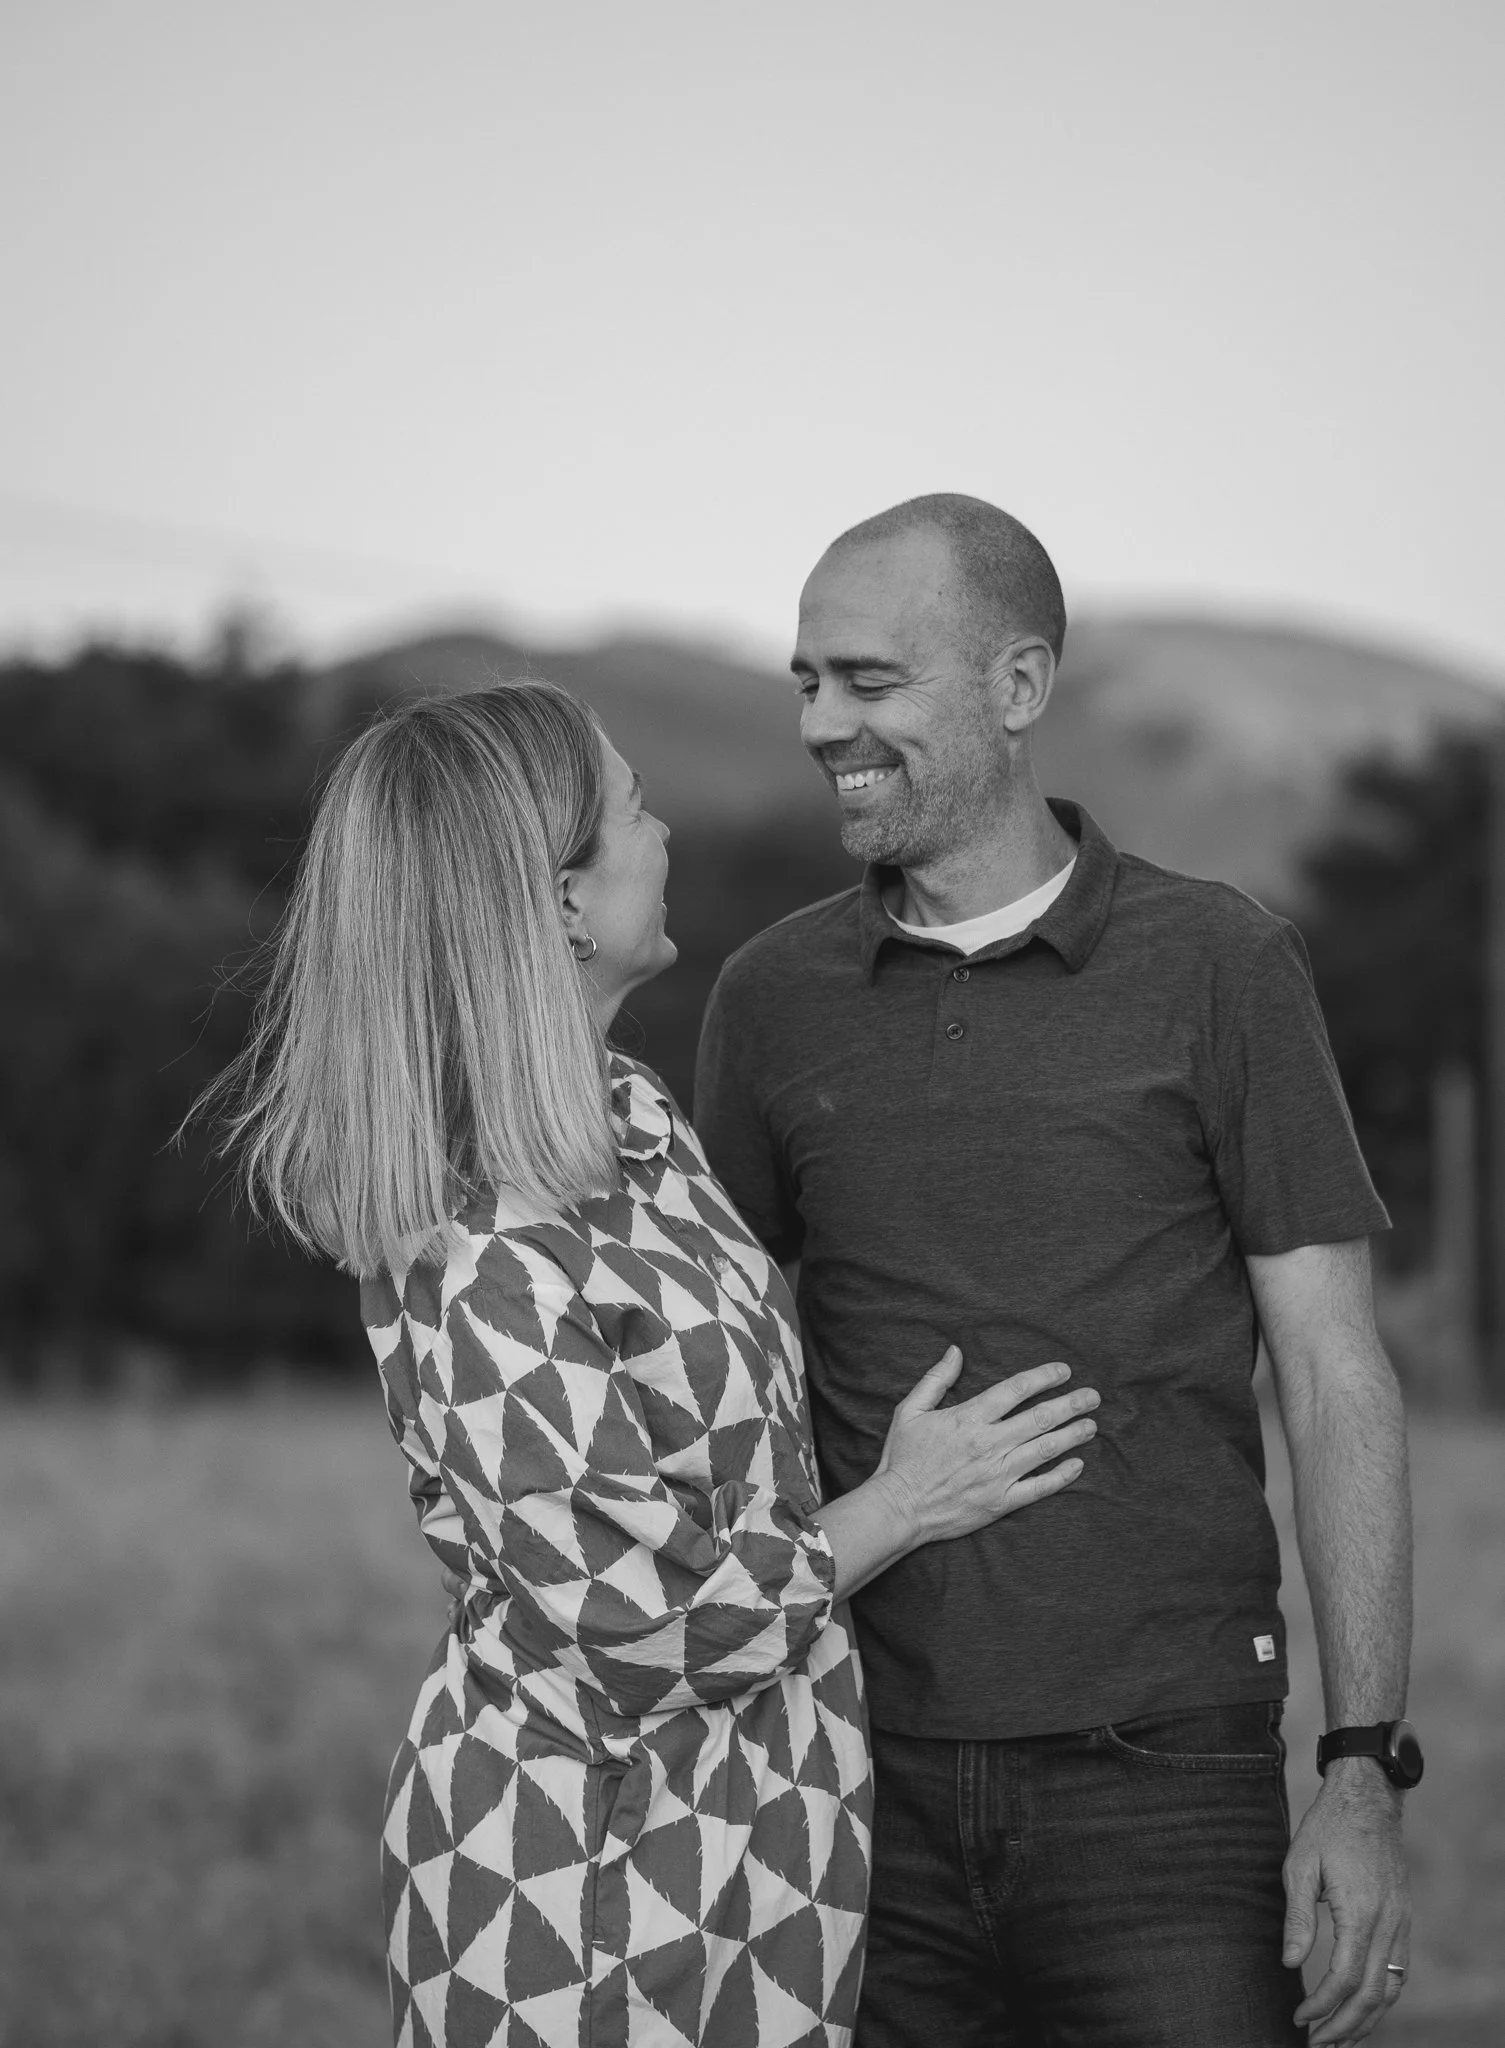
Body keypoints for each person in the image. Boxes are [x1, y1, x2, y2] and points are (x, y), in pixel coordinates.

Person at [203, 679, 1102, 2048]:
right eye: (632, 808)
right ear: (562, 902)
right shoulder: (480, 1245)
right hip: (585, 1887)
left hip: (752, 1852)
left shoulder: (629, 1117)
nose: (664, 827)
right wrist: (906, 1502)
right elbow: (644, 1625)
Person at [694, 494, 1417, 2048]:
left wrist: (1360, 1765)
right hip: (847, 1779)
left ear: (1018, 690)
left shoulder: (1222, 964)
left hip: (1166, 1781)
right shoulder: (769, 1000)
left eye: (871, 681)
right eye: (806, 681)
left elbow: (1335, 1366)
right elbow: (719, 1372)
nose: (824, 723)